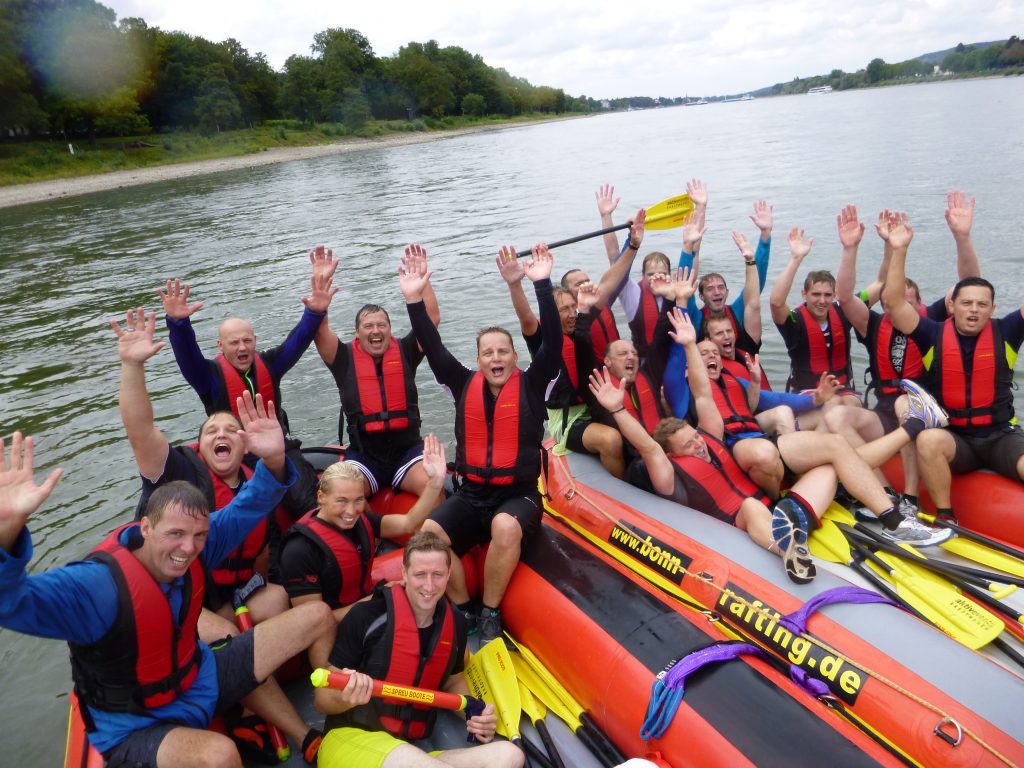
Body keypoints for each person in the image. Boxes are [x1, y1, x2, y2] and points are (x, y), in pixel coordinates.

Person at [0, 420, 334, 767]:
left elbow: (250, 503)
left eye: (199, 536)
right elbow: (11, 600)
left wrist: (275, 459)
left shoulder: (198, 542)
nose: (188, 549)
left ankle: (309, 734)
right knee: (221, 755)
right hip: (136, 724)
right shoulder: (95, 586)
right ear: (145, 527)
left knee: (316, 615)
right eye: (175, 534)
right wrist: (6, 533)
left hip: (196, 679)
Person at [662, 310, 950, 546]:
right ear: (690, 366)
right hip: (736, 451)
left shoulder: (735, 382)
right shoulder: (683, 388)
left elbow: (776, 399)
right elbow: (700, 389)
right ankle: (915, 424)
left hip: (766, 440)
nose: (711, 355)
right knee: (769, 450)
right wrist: (688, 344)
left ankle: (894, 520)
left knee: (835, 445)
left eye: (714, 352)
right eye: (703, 353)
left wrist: (815, 398)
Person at [399, 243, 561, 643]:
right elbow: (432, 346)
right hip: (471, 495)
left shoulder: (535, 383)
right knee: (431, 533)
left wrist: (541, 285)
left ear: (513, 356)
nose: (495, 358)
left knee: (505, 527)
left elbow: (553, 344)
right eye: (487, 353)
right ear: (478, 359)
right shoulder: (460, 383)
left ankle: (491, 611)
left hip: (519, 496)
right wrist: (414, 300)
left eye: (503, 351)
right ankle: (465, 608)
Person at [117, 307, 289, 621]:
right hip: (177, 590)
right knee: (224, 634)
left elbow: (262, 551)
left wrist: (275, 454)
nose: (221, 434)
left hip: (233, 589)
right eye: (212, 431)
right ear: (200, 444)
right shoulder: (179, 469)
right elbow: (140, 431)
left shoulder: (256, 485)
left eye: (231, 431)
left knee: (278, 598)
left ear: (244, 445)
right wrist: (132, 366)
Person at [314, 531, 523, 768]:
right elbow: (321, 700)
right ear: (403, 573)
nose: (429, 586)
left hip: (407, 752)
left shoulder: (455, 624)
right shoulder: (366, 617)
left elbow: (453, 682)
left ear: (448, 575)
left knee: (509, 756)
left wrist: (474, 713)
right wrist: (345, 697)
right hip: (349, 741)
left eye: (438, 575)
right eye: (420, 575)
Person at [831, 199, 983, 516]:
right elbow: (844, 297)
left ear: (918, 303)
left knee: (907, 404)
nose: (901, 308)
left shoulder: (934, 322)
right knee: (836, 417)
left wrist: (961, 237)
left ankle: (911, 498)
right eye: (893, 302)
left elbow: (971, 287)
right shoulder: (873, 325)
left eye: (908, 302)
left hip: (926, 408)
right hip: (883, 411)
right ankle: (883, 491)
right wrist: (849, 249)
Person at [158, 247, 337, 515]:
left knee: (308, 503)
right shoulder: (208, 376)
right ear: (221, 346)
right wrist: (178, 324)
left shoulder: (270, 364)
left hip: (278, 449)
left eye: (247, 341)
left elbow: (297, 342)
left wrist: (315, 312)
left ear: (255, 342)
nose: (242, 348)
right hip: (234, 460)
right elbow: (187, 357)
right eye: (234, 342)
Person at [882, 213, 1024, 522]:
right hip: (955, 439)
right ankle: (946, 518)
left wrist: (963, 236)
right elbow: (893, 303)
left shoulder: (1009, 331)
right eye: (966, 303)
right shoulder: (932, 334)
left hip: (1001, 435)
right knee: (928, 439)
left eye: (982, 304)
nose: (974, 310)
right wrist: (898, 250)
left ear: (992, 309)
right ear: (952, 306)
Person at [500, 209, 651, 478]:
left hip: (597, 403)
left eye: (573, 308)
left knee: (636, 431)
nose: (572, 314)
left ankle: (640, 474)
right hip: (567, 418)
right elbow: (526, 318)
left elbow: (609, 282)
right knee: (611, 440)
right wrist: (515, 285)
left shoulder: (580, 324)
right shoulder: (543, 339)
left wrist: (634, 245)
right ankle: (621, 491)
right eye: (564, 310)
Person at [280, 435, 448, 668]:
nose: (351, 510)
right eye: (342, 501)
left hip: (364, 610)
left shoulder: (361, 520)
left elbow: (409, 522)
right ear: (321, 498)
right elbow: (313, 624)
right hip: (330, 633)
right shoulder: (299, 550)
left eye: (358, 500)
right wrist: (378, 599)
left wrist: (434, 484)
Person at [314, 244, 441, 500]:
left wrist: (421, 284)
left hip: (407, 452)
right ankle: (371, 536)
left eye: (382, 325)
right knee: (340, 494)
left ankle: (426, 537)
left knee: (434, 485)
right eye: (368, 326)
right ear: (357, 334)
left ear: (390, 330)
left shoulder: (406, 350)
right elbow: (319, 332)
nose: (375, 330)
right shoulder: (343, 358)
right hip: (364, 455)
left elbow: (432, 320)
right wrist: (321, 287)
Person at [769, 227, 860, 401]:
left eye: (827, 295)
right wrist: (796, 258)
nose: (822, 301)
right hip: (807, 393)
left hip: (843, 390)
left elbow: (879, 286)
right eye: (816, 294)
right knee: (832, 407)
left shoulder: (844, 312)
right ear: (804, 294)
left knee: (849, 405)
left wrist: (852, 247)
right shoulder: (794, 321)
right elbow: (775, 302)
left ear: (834, 295)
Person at [679, 193, 775, 357]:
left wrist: (765, 237)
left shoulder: (737, 311)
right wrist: (689, 244)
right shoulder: (696, 318)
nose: (717, 292)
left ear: (727, 292)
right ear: (700, 296)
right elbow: (685, 282)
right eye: (710, 289)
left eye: (721, 287)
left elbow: (755, 283)